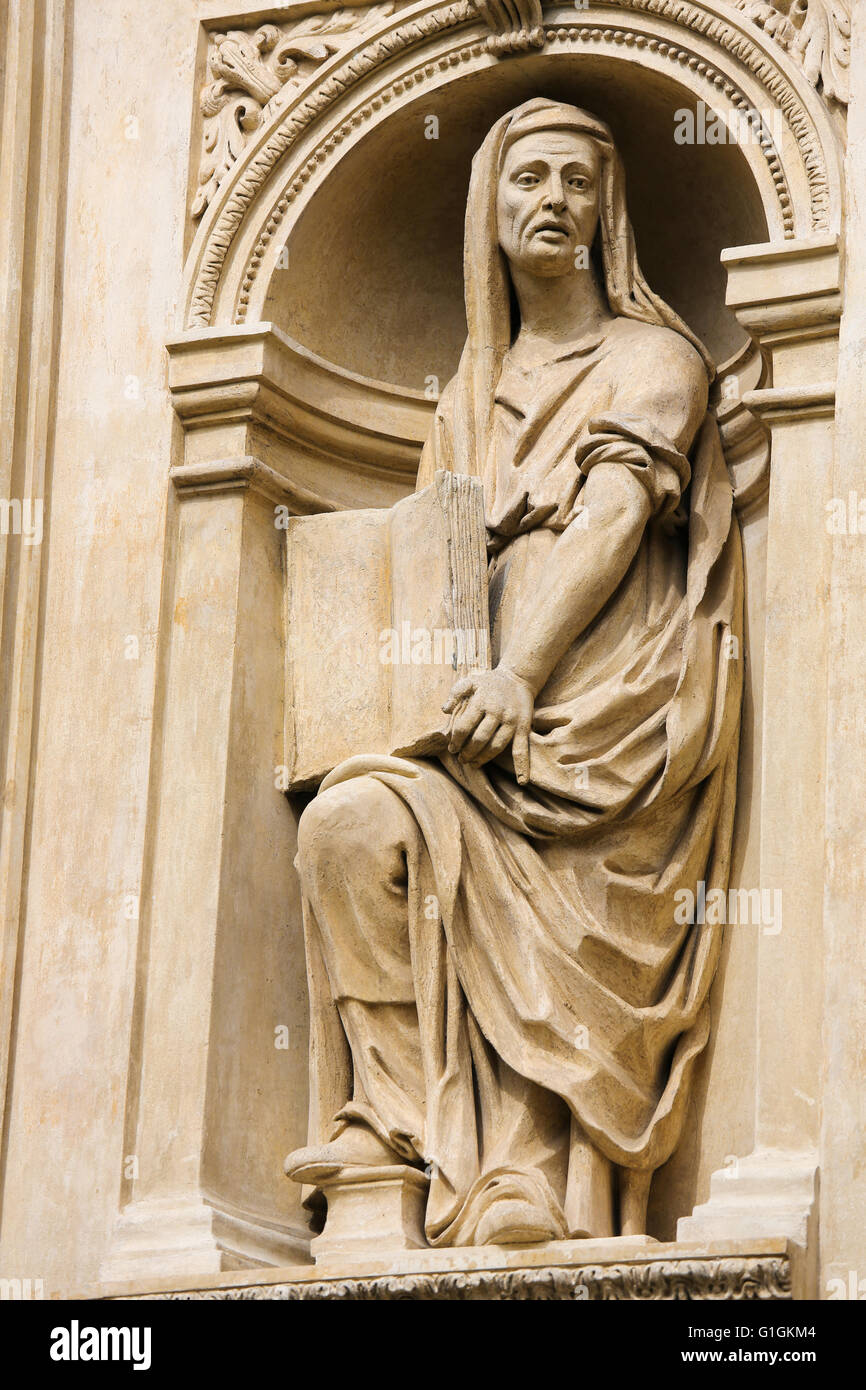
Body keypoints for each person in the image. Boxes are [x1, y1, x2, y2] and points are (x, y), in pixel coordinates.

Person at [284, 100, 743, 1248]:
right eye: (527, 178)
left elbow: (609, 518)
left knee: (563, 917)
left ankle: (531, 1178)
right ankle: (399, 1134)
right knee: (345, 827)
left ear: (608, 212)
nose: (553, 199)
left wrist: (518, 678)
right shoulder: (461, 402)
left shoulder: (654, 358)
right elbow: (430, 568)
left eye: (578, 181)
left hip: (604, 718)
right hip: (474, 719)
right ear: (486, 211)